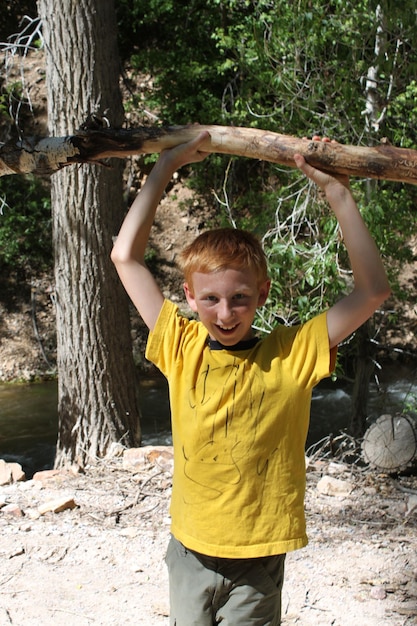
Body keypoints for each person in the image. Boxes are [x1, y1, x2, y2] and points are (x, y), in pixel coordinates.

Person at [111, 131, 390, 625]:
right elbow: (124, 258)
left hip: (259, 558)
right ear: (190, 298)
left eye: (240, 297)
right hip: (190, 551)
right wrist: (163, 169)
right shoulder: (181, 347)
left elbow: (371, 290)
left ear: (261, 293)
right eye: (212, 299)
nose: (225, 312)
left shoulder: (293, 354)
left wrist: (338, 194)